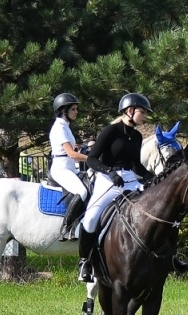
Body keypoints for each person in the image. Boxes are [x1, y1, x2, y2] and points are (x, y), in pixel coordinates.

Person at [77, 92, 152, 283]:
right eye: (142, 112)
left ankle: (167, 256)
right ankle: (85, 262)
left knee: (155, 207)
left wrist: (152, 178)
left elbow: (136, 165)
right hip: (107, 179)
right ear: (130, 110)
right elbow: (92, 158)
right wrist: (110, 172)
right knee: (91, 217)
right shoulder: (111, 131)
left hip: (131, 179)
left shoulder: (137, 136)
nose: (145, 116)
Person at [47, 92, 89, 239]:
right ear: (63, 110)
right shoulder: (59, 128)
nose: (76, 112)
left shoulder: (65, 126)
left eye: (76, 109)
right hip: (61, 169)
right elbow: (71, 154)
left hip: (69, 166)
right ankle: (66, 227)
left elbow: (71, 153)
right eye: (73, 109)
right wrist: (90, 159)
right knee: (82, 192)